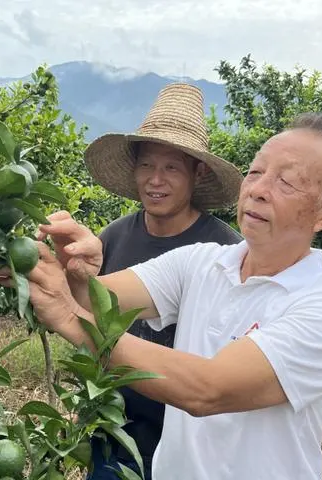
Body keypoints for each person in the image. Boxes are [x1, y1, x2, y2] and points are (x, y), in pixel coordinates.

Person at [1, 112, 322, 479]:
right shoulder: (200, 262)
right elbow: (99, 300)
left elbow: (207, 388)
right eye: (256, 172)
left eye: (286, 182)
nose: (257, 189)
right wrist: (69, 274)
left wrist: (70, 318)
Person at [80, 82, 242, 479]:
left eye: (171, 167)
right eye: (147, 166)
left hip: (191, 439)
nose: (156, 180)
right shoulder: (113, 237)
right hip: (116, 431)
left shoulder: (224, 249)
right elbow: (87, 310)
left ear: (197, 172)